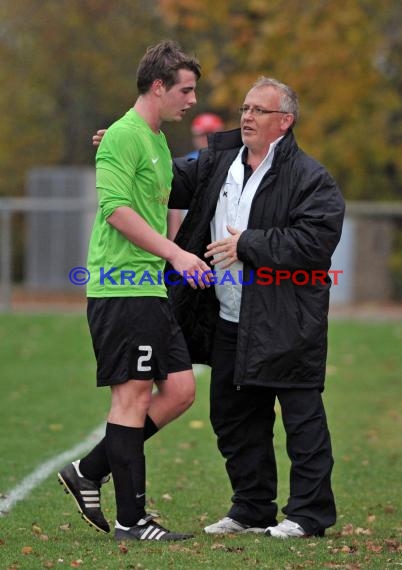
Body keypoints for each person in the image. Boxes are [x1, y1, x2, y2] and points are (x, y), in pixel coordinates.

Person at [168, 77, 345, 539]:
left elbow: (316, 241)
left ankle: (309, 516)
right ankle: (251, 510)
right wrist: (128, 150)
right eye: (245, 108)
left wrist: (248, 242)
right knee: (233, 418)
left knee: (302, 422)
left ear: (283, 121)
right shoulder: (219, 162)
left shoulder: (310, 177)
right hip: (229, 317)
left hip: (286, 321)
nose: (246, 117)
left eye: (259, 111)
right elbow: (168, 182)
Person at [57, 40, 211, 542]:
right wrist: (175, 254)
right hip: (121, 286)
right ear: (159, 85)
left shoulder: (154, 140)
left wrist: (171, 253)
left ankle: (88, 470)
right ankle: (132, 521)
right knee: (132, 398)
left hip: (149, 286)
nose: (191, 100)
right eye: (185, 90)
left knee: (182, 390)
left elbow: (159, 212)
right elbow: (116, 211)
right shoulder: (125, 136)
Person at [167, 112, 224, 240]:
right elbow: (175, 210)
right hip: (191, 230)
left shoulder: (229, 161)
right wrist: (174, 243)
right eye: (202, 135)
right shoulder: (187, 162)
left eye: (210, 134)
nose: (206, 138)